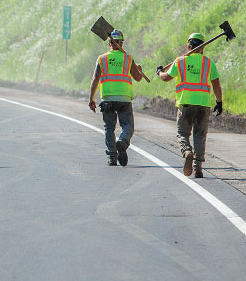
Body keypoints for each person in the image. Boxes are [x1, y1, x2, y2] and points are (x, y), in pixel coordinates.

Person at [156, 32, 223, 178]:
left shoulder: (180, 61)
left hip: (185, 104)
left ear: (188, 46)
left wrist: (160, 72)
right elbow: (216, 84)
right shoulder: (208, 62)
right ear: (202, 48)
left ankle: (187, 152)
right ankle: (198, 167)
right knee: (200, 135)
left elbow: (166, 78)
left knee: (182, 133)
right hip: (203, 105)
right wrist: (219, 101)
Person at [89, 29, 144, 166]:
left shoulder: (102, 59)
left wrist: (91, 99)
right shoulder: (127, 59)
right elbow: (138, 78)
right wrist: (140, 71)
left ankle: (112, 157)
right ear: (121, 43)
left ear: (109, 44)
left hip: (107, 99)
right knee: (128, 125)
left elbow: (95, 79)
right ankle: (123, 142)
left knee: (109, 128)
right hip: (124, 99)